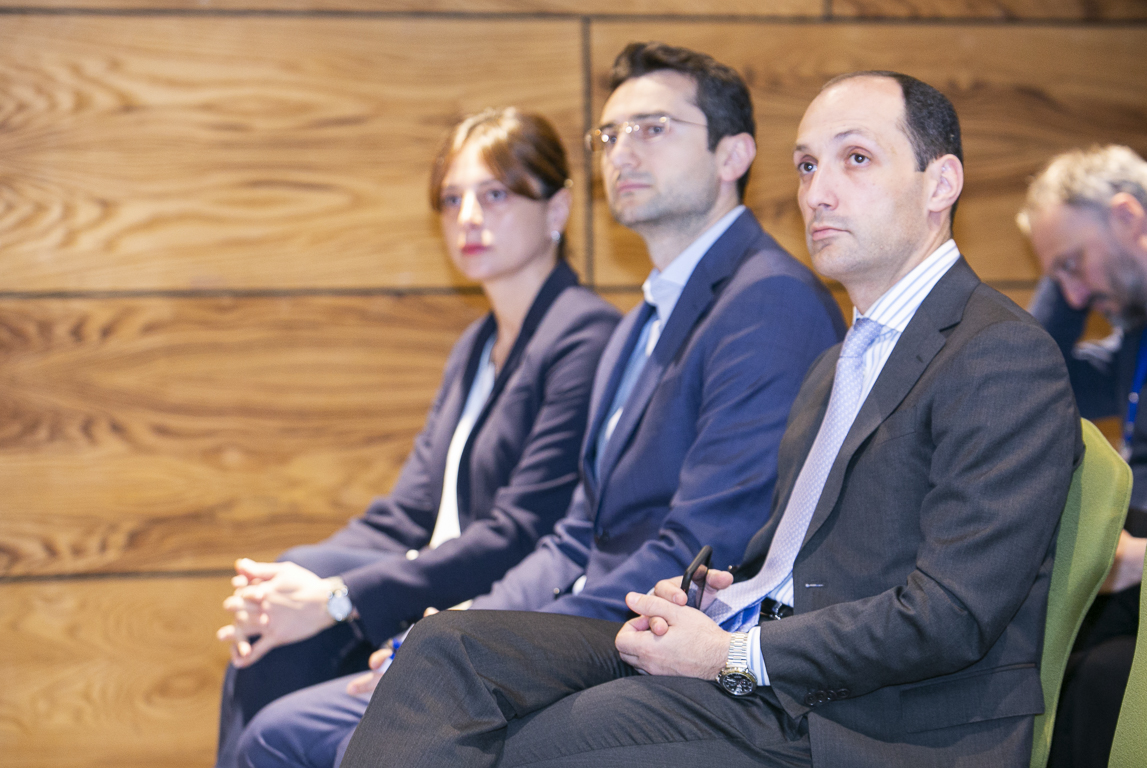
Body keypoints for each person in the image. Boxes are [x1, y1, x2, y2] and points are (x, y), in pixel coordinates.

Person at [339, 70, 1083, 768]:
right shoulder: (840, 363)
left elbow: (950, 615)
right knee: (445, 647)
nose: (818, 193)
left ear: (940, 183)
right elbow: (800, 565)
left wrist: (728, 654)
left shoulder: (999, 354)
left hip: (875, 721)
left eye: (855, 159)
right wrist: (710, 598)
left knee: (529, 742)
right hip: (765, 667)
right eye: (806, 166)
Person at [235, 42, 845, 768]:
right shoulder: (638, 323)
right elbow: (572, 534)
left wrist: (494, 639)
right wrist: (472, 619)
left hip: (666, 639)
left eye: (653, 129)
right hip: (588, 615)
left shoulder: (766, 301)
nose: (623, 152)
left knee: (351, 721)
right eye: (609, 135)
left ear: (732, 154)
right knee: (279, 729)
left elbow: (702, 546)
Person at [212, 107, 621, 767]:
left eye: (494, 195)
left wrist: (341, 597)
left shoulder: (584, 336)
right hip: (436, 587)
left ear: (557, 208)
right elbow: (408, 510)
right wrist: (293, 582)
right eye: (452, 200)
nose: (468, 217)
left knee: (308, 611)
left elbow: (520, 531)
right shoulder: (477, 343)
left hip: (505, 603)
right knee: (288, 588)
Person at [1019, 144, 1147, 768]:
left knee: (1096, 683)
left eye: (1073, 264)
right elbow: (1034, 377)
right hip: (1128, 562)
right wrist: (1062, 276)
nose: (1073, 294)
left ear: (1128, 218)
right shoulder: (1134, 338)